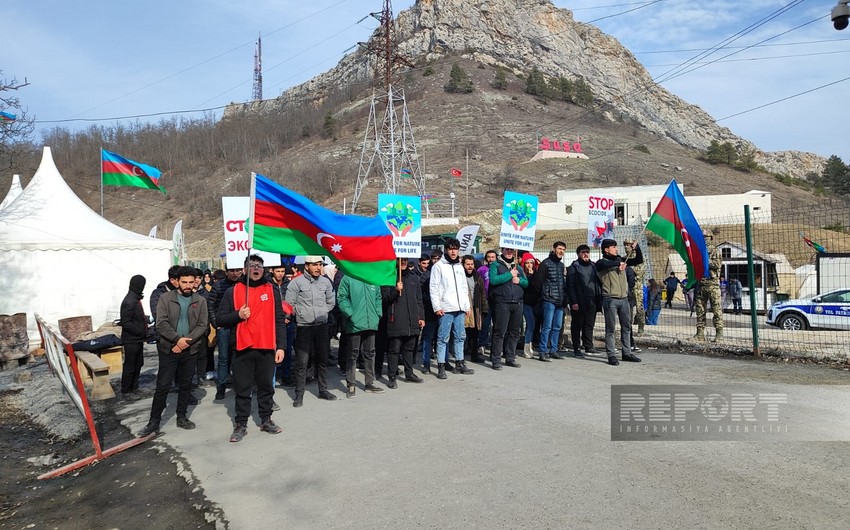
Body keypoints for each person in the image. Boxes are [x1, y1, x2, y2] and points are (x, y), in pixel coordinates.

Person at [216, 255, 286, 442]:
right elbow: (220, 319)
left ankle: (266, 419)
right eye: (251, 266)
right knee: (243, 388)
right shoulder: (233, 291)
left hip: (266, 347)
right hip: (243, 348)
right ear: (244, 270)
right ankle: (241, 424)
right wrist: (237, 315)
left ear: (264, 270)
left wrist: (281, 346)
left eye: (259, 266)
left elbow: (279, 319)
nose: (256, 269)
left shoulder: (271, 290)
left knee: (266, 387)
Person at [138, 266, 209, 437]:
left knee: (186, 385)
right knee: (162, 386)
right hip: (169, 348)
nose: (187, 285)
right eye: (184, 282)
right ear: (177, 281)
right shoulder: (165, 298)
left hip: (190, 349)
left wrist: (186, 342)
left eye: (191, 282)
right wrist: (177, 340)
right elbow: (161, 323)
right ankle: (154, 422)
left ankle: (182, 416)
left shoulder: (200, 301)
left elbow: (202, 325)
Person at [285, 255, 338, 406]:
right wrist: (301, 314)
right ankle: (299, 394)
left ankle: (323, 390)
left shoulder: (325, 282)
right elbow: (289, 304)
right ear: (306, 266)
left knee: (322, 359)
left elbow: (331, 301)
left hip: (321, 326)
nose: (318, 268)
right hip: (304, 328)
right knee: (302, 362)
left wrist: (323, 312)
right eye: (314, 265)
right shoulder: (296, 283)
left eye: (320, 264)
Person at [429, 238, 473, 379]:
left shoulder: (460, 266)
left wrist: (467, 306)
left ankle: (460, 362)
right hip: (446, 308)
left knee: (460, 336)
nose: (453, 251)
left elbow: (463, 287)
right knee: (443, 338)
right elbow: (434, 287)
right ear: (446, 250)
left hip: (460, 308)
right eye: (451, 248)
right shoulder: (439, 266)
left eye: (456, 248)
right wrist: (437, 306)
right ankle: (441, 365)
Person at [596, 239, 643, 366]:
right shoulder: (602, 263)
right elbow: (602, 265)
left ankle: (626, 352)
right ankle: (611, 354)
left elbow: (639, 260)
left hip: (624, 299)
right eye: (613, 247)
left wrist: (636, 248)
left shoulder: (622, 260)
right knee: (610, 328)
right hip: (610, 299)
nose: (616, 249)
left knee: (626, 327)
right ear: (606, 249)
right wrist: (617, 264)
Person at [337, 273, 385, 398]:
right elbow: (342, 297)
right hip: (355, 323)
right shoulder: (348, 277)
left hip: (371, 322)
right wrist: (350, 314)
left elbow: (378, 297)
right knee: (353, 354)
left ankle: (369, 383)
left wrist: (378, 314)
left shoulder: (372, 277)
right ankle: (351, 384)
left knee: (370, 353)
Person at [382, 258, 425, 388]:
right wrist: (395, 289)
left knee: (409, 348)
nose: (403, 262)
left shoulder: (414, 278)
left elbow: (419, 299)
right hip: (396, 319)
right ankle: (392, 377)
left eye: (405, 260)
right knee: (394, 350)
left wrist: (421, 316)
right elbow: (385, 298)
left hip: (412, 319)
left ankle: (409, 373)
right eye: (400, 260)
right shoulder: (389, 277)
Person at [488, 247, 527, 368]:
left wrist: (519, 280)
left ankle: (510, 357)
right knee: (500, 332)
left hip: (517, 303)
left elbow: (526, 283)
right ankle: (496, 360)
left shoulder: (518, 266)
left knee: (514, 332)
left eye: (511, 250)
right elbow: (493, 280)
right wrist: (509, 274)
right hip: (502, 302)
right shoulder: (495, 265)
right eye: (507, 250)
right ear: (502, 250)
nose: (509, 252)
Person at [209, 267, 242, 401]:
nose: (235, 274)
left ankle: (239, 384)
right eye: (232, 271)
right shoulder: (218, 286)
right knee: (223, 358)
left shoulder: (244, 285)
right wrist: (216, 323)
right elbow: (210, 305)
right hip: (223, 326)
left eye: (238, 270)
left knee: (239, 357)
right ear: (227, 272)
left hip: (239, 325)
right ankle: (221, 386)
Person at [534, 241, 568, 361]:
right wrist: (542, 297)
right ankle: (543, 351)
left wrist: (565, 298)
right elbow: (538, 282)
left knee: (557, 326)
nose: (561, 251)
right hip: (548, 300)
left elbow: (563, 283)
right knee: (547, 326)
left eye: (563, 249)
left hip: (560, 301)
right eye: (559, 248)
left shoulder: (561, 265)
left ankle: (554, 350)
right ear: (553, 249)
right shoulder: (545, 264)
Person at [566, 244, 601, 358]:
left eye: (587, 252)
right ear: (578, 254)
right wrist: (574, 302)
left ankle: (588, 346)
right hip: (579, 301)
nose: (585, 254)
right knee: (577, 325)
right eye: (583, 252)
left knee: (589, 325)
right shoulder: (574, 267)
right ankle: (576, 347)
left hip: (592, 301)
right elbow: (570, 286)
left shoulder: (593, 266)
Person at [120, 274, 147, 400]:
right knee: (130, 365)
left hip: (138, 338)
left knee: (138, 363)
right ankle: (126, 390)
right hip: (131, 339)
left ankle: (134, 387)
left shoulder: (134, 299)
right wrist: (140, 331)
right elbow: (126, 322)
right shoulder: (129, 301)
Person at [694, 230, 724, 341]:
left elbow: (717, 264)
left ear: (710, 238)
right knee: (700, 310)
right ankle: (700, 333)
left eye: (706, 237)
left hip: (713, 285)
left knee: (716, 310)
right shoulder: (699, 251)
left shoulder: (715, 251)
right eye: (702, 237)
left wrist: (705, 261)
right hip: (701, 284)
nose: (704, 239)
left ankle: (719, 333)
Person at [461, 254, 484, 367]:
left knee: (475, 333)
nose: (470, 266)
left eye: (471, 264)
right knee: (462, 333)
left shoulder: (477, 276)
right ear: (463, 265)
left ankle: (474, 354)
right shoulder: (460, 276)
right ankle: (460, 357)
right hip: (463, 308)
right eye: (467, 264)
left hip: (475, 307)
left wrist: (484, 308)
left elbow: (482, 292)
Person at [475, 249, 498, 358]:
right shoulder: (482, 269)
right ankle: (482, 344)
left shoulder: (499, 268)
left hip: (498, 300)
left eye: (493, 257)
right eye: (489, 257)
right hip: (486, 300)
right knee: (485, 324)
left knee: (497, 325)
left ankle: (495, 347)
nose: (491, 259)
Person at [521, 254, 540, 359]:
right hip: (526, 303)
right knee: (530, 323)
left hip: (536, 303)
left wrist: (533, 276)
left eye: (531, 263)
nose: (529, 265)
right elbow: (526, 287)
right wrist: (530, 277)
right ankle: (527, 347)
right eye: (527, 263)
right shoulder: (522, 275)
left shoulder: (537, 274)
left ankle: (531, 344)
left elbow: (538, 287)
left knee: (534, 325)